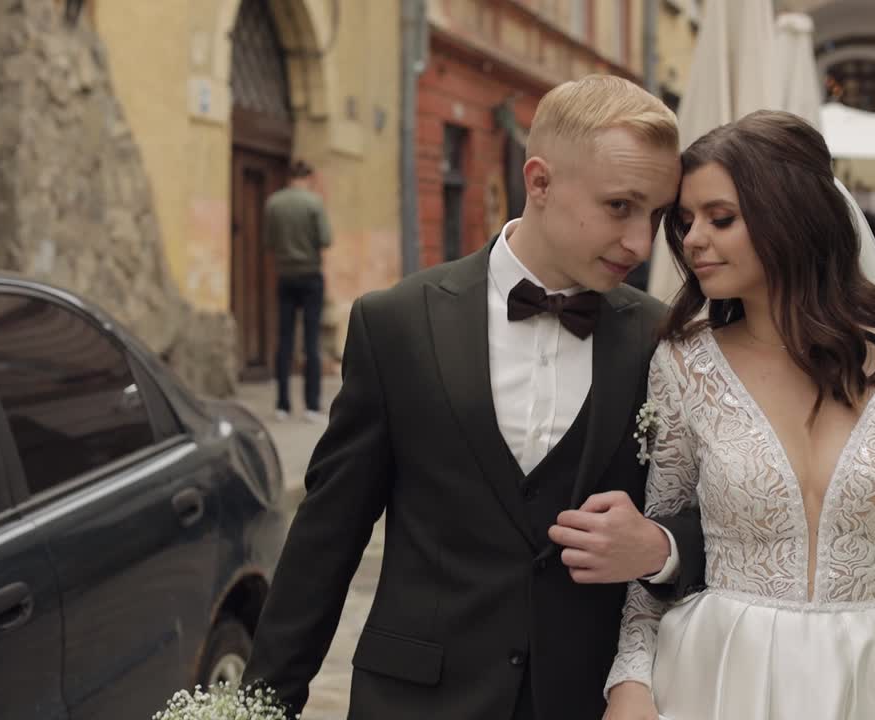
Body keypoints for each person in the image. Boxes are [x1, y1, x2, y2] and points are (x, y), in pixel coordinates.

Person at [243, 75, 707, 720]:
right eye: (620, 206)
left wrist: (661, 546)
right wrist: (261, 706)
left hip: (583, 699)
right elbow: (328, 534)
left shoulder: (661, 338)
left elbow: (728, 516)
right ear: (539, 183)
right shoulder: (398, 323)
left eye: (656, 216)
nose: (640, 242)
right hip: (415, 700)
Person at [603, 111, 875, 720]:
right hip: (720, 677)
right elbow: (654, 538)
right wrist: (631, 678)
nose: (691, 241)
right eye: (686, 222)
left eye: (721, 218)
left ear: (790, 217)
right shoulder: (685, 365)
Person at [263, 160, 332, 422]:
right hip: (310, 275)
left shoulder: (273, 203)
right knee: (311, 342)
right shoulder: (314, 203)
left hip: (285, 276)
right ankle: (311, 406)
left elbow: (268, 241)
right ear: (308, 177)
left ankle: (282, 405)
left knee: (284, 340)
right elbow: (325, 239)